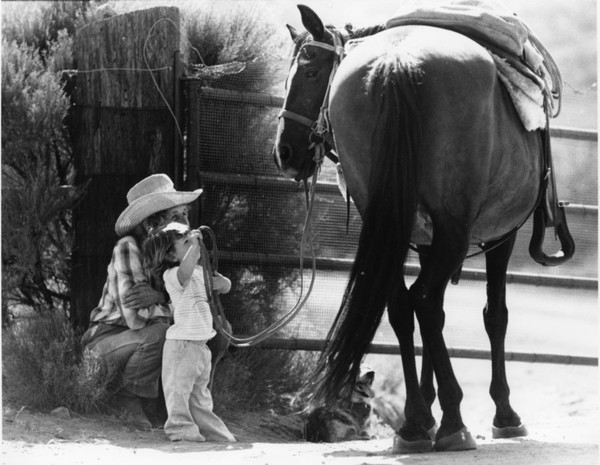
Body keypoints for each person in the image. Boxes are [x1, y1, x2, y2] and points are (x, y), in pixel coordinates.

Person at [81, 173, 203, 430]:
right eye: (175, 217)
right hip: (106, 342)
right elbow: (135, 319)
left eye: (185, 214)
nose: (185, 223)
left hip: (136, 341)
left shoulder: (176, 253)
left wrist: (160, 296)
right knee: (160, 332)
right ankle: (128, 400)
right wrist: (173, 302)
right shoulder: (127, 247)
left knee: (190, 333)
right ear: (152, 224)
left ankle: (185, 407)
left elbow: (197, 308)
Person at [142, 222, 236, 442]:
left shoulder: (200, 273)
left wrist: (224, 283)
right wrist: (195, 246)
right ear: (172, 256)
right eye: (185, 242)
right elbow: (185, 271)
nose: (194, 243)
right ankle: (180, 430)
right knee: (178, 393)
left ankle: (214, 433)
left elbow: (224, 286)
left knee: (200, 397)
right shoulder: (173, 275)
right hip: (181, 346)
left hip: (200, 347)